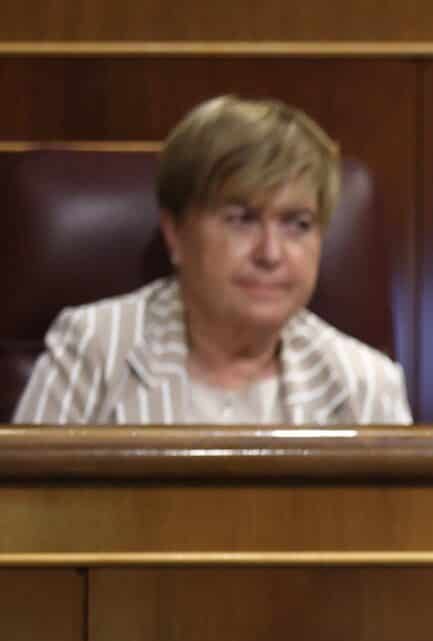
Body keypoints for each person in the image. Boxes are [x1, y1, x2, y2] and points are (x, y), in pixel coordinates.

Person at [13, 95, 410, 426]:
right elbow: (25, 515)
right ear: (176, 233)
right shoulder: (93, 350)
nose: (270, 253)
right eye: (241, 220)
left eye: (297, 224)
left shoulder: (366, 384)